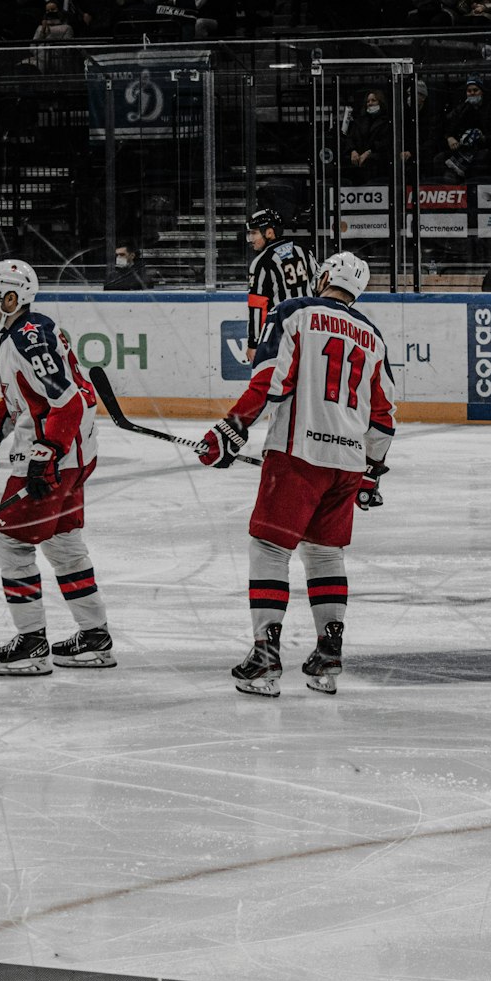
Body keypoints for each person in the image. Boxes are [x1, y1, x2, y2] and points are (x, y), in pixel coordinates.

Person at [198, 251, 396, 697]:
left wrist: (233, 427)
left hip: (297, 453)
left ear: (324, 276)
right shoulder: (372, 336)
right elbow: (383, 417)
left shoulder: (294, 311)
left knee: (269, 547)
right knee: (325, 554)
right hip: (347, 464)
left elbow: (271, 381)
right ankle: (329, 653)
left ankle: (266, 655)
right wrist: (371, 473)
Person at [0, 259, 115, 676]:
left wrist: (45, 456)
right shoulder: (24, 332)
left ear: (10, 298)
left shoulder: (28, 339)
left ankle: (31, 644)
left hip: (57, 455)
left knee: (11, 544)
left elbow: (66, 402)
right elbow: (25, 398)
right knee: (63, 541)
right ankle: (94, 638)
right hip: (72, 453)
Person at [245, 207, 317, 361]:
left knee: (280, 381)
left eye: (254, 233)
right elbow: (319, 289)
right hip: (311, 330)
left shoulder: (261, 262)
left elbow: (258, 306)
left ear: (269, 232)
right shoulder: (304, 251)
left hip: (281, 334)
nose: (250, 238)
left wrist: (254, 343)